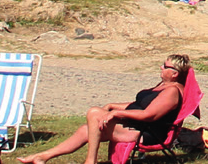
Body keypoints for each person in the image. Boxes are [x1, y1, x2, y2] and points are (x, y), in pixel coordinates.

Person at [16, 55, 192, 164]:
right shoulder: (163, 85)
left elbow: (149, 114)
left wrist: (117, 113)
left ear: (175, 73)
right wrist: (113, 106)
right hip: (135, 127)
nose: (161, 67)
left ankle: (90, 161)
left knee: (94, 113)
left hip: (147, 133)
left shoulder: (172, 92)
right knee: (86, 129)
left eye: (165, 66)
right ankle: (43, 157)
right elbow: (139, 105)